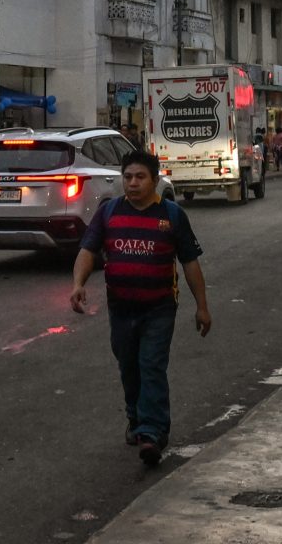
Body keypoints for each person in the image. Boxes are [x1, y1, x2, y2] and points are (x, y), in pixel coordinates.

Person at [70, 149, 212, 466]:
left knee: (151, 365)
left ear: (155, 179)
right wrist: (78, 284)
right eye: (128, 177)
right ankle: (136, 418)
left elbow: (190, 263)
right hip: (120, 308)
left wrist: (202, 306)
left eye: (140, 177)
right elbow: (87, 251)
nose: (132, 183)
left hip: (159, 308)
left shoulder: (172, 216)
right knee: (129, 367)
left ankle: (153, 433)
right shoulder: (108, 212)